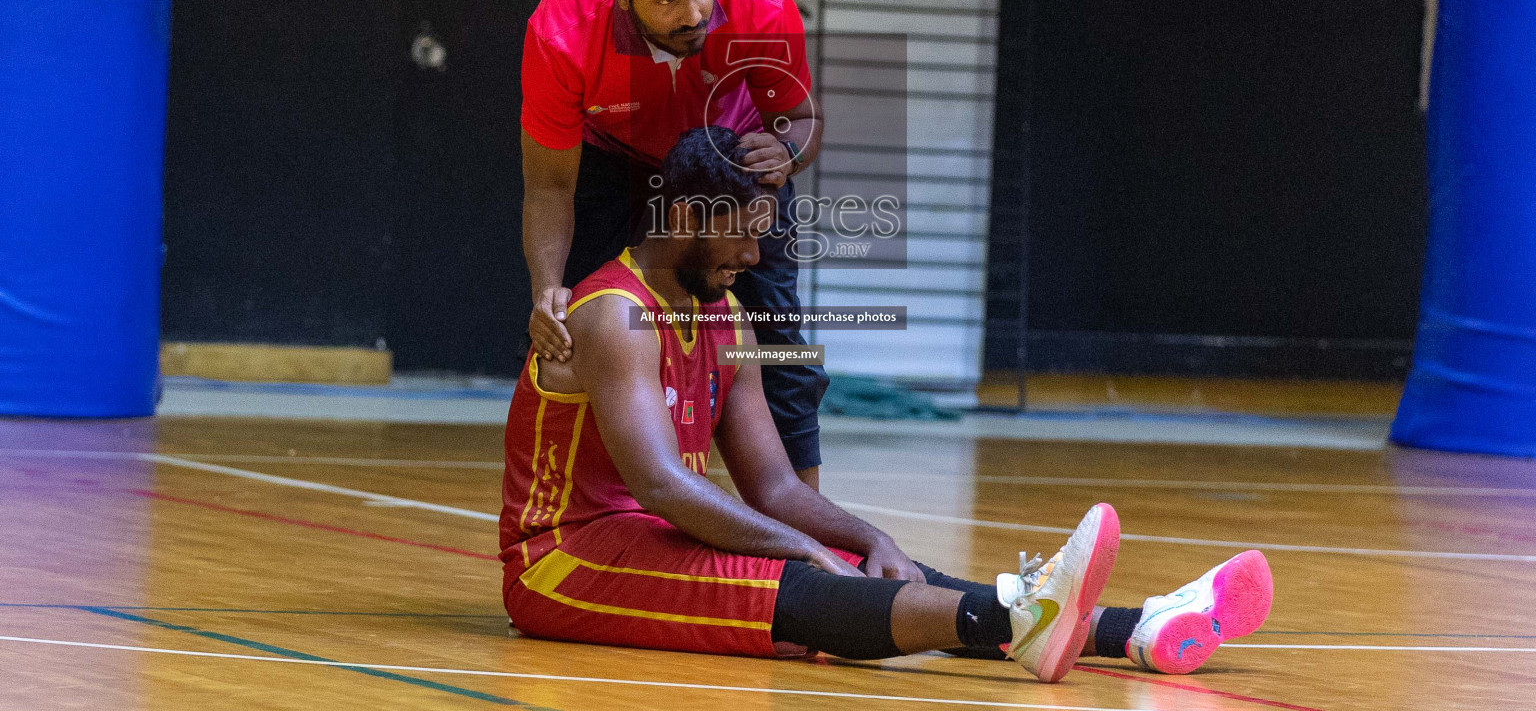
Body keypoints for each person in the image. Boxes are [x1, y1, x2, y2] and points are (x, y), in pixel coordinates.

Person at [499, 127, 1274, 679]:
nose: (754, 257)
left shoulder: (724, 317)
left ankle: (1136, 630)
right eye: (741, 237)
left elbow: (770, 486)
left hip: (652, 533)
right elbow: (662, 486)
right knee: (800, 578)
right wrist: (800, 548)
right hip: (565, 556)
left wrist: (869, 536)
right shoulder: (614, 314)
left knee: (871, 563)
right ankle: (1024, 625)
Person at [520, 0, 829, 487]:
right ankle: (578, 510)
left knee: (777, 339)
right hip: (614, 158)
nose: (692, 14)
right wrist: (547, 290)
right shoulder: (560, 31)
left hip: (729, 153)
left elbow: (802, 118)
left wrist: (788, 152)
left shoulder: (760, 0)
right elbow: (550, 186)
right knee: (569, 325)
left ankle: (811, 534)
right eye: (666, 0)